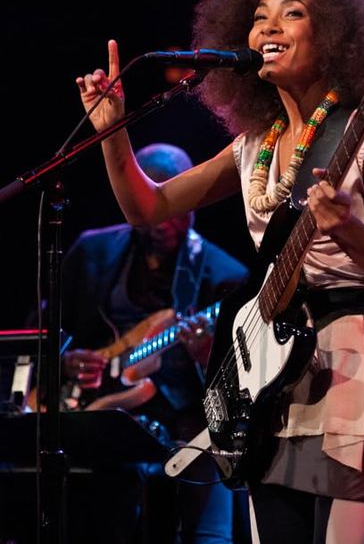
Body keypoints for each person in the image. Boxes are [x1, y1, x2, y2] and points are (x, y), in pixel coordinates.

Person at [75, 0, 364, 544]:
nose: (267, 28)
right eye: (258, 17)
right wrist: (112, 132)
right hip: (268, 380)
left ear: (335, 32)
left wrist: (352, 235)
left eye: (291, 14)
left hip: (353, 373)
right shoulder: (253, 147)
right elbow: (148, 207)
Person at [50, 142, 250, 544]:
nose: (165, 220)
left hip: (184, 429)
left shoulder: (225, 276)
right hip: (96, 425)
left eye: (174, 198)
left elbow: (238, 385)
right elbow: (45, 324)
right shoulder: (93, 250)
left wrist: (205, 357)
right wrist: (64, 361)